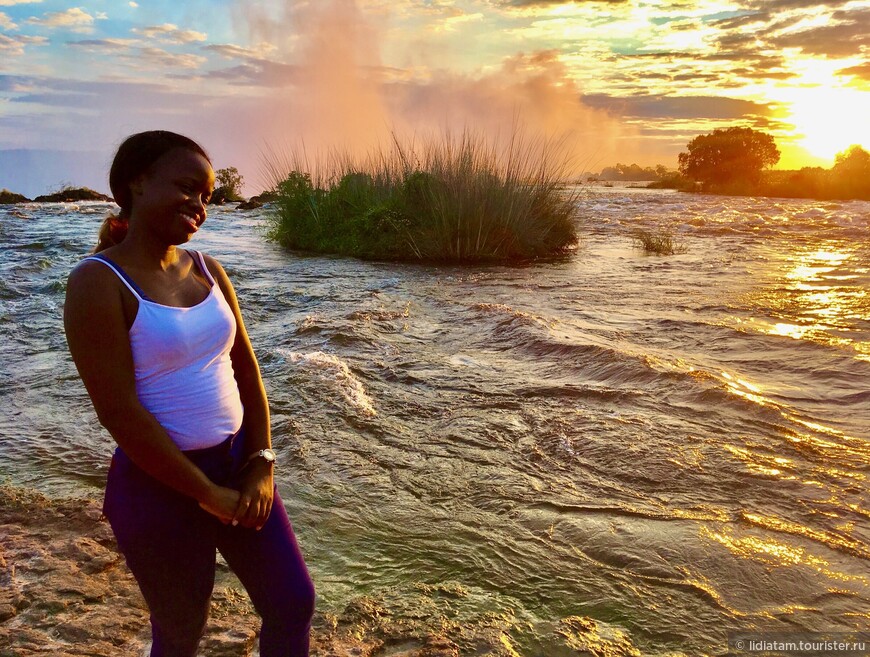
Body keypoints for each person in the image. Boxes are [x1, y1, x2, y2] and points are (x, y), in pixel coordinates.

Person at [63, 130, 315, 657]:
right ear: (137, 181)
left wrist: (261, 462)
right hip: (158, 486)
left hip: (237, 469)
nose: (199, 205)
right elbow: (117, 411)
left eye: (207, 196)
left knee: (292, 602)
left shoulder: (208, 270)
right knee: (181, 630)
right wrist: (204, 492)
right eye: (186, 187)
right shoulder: (97, 281)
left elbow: (247, 372)